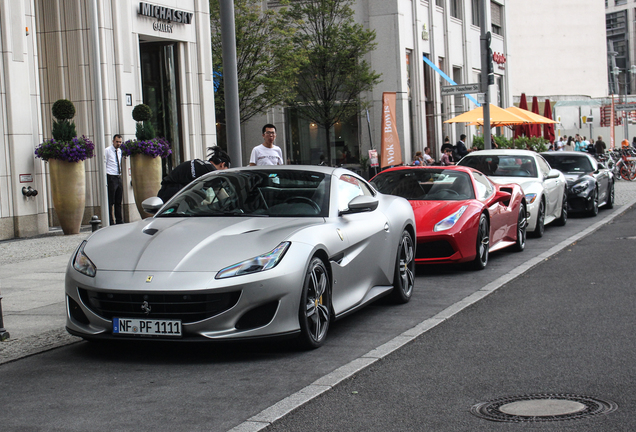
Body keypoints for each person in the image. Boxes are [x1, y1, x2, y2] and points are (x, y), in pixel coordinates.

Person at [157, 146, 231, 203]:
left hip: (166, 192)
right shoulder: (211, 171)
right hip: (174, 195)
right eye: (225, 171)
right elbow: (221, 195)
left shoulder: (202, 165)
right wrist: (231, 203)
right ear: (222, 165)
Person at [106, 134, 124, 225]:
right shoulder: (107, 151)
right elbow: (104, 163)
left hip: (118, 176)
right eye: (117, 142)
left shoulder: (120, 151)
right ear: (113, 141)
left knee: (118, 200)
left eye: (120, 142)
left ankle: (119, 220)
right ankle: (110, 220)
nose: (118, 143)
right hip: (111, 176)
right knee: (111, 201)